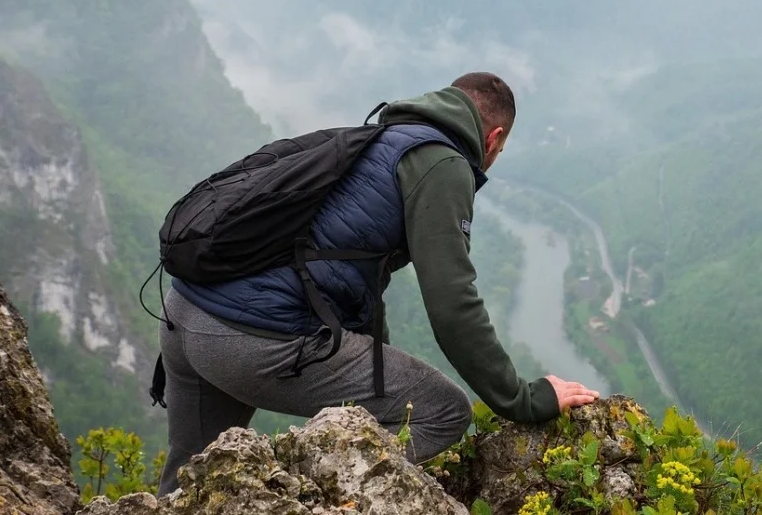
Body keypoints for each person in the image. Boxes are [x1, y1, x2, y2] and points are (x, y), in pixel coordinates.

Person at [155, 71, 600, 496]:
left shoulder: (384, 136)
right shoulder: (444, 165)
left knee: (188, 481)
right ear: (494, 139)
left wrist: (375, 369)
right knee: (444, 412)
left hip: (183, 312)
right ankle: (306, 494)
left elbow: (357, 282)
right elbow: (453, 305)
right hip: (249, 340)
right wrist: (523, 400)